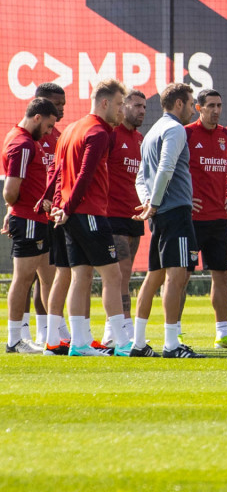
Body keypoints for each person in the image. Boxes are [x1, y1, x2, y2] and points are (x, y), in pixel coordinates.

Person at [43, 79, 130, 357]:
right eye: (119, 105)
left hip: (71, 213)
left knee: (81, 275)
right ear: (104, 103)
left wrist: (55, 203)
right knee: (113, 275)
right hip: (87, 212)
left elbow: (57, 174)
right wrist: (66, 207)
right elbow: (85, 175)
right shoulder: (98, 132)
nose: (122, 111)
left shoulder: (70, 130)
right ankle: (122, 342)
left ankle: (79, 344)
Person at [132, 83, 202, 358]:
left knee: (154, 277)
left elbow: (140, 176)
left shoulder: (151, 132)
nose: (194, 107)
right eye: (191, 102)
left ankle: (138, 342)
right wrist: (155, 202)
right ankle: (171, 344)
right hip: (174, 212)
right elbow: (166, 166)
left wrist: (150, 201)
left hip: (161, 212)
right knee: (177, 276)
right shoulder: (174, 129)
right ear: (179, 104)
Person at [186, 88, 227, 348]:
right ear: (198, 108)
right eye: (210, 105)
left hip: (219, 219)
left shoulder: (226, 135)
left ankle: (222, 333)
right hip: (191, 219)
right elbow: (174, 171)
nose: (216, 110)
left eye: (219, 105)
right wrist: (185, 199)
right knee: (180, 275)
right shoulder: (186, 133)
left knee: (221, 275)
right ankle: (174, 332)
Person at [3, 98, 59, 353]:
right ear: (37, 117)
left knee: (49, 278)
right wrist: (18, 208)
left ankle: (56, 334)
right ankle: (14, 339)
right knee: (23, 279)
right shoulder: (23, 143)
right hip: (28, 219)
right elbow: (10, 191)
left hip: (37, 218)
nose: (49, 132)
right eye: (48, 125)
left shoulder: (22, 139)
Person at [102, 88, 145, 349]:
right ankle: (116, 331)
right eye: (136, 106)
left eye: (144, 107)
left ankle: (121, 330)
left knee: (125, 277)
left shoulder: (140, 138)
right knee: (118, 275)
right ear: (122, 106)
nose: (141, 110)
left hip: (135, 214)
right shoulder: (110, 135)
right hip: (112, 214)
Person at [34, 82, 70, 351]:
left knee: (47, 276)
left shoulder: (59, 136)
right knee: (31, 276)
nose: (61, 109)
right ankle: (35, 331)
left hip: (54, 215)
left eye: (63, 104)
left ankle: (46, 331)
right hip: (32, 214)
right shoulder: (29, 135)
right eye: (57, 104)